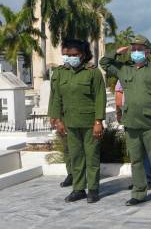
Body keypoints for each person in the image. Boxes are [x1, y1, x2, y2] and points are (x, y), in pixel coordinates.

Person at [100, 35, 151, 207]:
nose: (136, 52)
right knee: (136, 159)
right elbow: (104, 63)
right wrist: (117, 52)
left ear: (147, 52)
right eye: (133, 49)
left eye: (140, 49)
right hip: (132, 122)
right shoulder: (124, 69)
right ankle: (139, 193)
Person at [50, 39, 106, 203]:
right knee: (76, 157)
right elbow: (56, 98)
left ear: (82, 55)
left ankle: (93, 189)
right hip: (70, 123)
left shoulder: (92, 72)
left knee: (92, 157)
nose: (69, 58)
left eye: (74, 55)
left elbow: (100, 97)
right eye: (66, 55)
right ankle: (78, 189)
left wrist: (98, 121)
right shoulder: (60, 72)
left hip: (89, 123)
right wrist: (57, 120)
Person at [115, 80, 151, 189]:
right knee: (135, 151)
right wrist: (118, 112)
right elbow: (119, 93)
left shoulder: (149, 72)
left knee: (148, 149)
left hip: (147, 117)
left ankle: (149, 179)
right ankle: (138, 181)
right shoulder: (123, 74)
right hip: (129, 117)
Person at [48, 46, 72, 188]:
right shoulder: (57, 72)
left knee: (79, 148)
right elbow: (53, 95)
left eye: (69, 54)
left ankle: (83, 174)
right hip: (62, 116)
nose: (66, 57)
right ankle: (71, 174)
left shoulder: (86, 71)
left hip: (77, 115)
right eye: (64, 54)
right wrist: (53, 115)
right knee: (67, 148)